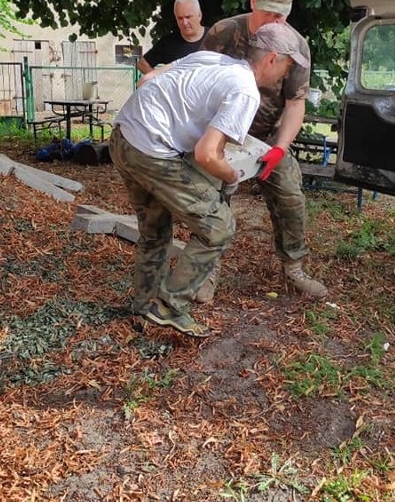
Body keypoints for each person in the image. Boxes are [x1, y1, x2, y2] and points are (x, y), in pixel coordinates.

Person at [110, 23, 309, 338]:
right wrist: (234, 175)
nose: (286, 74)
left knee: (155, 231)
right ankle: (169, 306)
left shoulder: (215, 60)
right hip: (151, 149)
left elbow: (160, 77)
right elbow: (206, 154)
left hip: (123, 137)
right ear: (272, 59)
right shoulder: (245, 90)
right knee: (218, 226)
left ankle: (143, 307)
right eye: (286, 65)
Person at [198, 0, 328, 301]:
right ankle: (205, 271)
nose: (275, 21)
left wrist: (280, 149)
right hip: (221, 133)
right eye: (268, 13)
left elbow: (296, 103)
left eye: (282, 15)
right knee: (211, 200)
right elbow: (200, 80)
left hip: (267, 137)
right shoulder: (224, 33)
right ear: (253, 3)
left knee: (290, 197)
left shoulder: (295, 46)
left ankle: (294, 269)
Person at [136, 0, 207, 75]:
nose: (184, 23)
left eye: (188, 17)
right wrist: (162, 83)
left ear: (199, 15)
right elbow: (142, 64)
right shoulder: (168, 42)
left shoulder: (216, 37)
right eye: (180, 18)